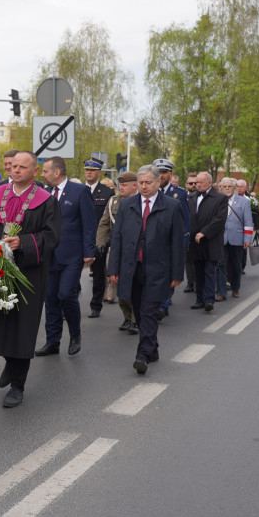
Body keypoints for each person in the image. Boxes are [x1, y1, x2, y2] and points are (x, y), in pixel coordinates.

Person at [0, 151, 60, 407]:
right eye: (13, 167)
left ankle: (17, 384)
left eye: (23, 167)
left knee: (22, 328)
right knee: (0, 320)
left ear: (35, 172)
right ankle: (10, 362)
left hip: (29, 271)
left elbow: (52, 237)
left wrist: (23, 242)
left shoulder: (46, 201)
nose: (17, 171)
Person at [108, 165, 184, 375]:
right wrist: (113, 267)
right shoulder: (127, 205)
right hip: (132, 269)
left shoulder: (172, 206)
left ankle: (142, 355)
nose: (143, 186)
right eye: (140, 183)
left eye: (148, 182)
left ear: (158, 182)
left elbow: (177, 242)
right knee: (139, 312)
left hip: (158, 269)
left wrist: (177, 273)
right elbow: (118, 238)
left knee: (149, 311)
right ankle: (153, 347)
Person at [36, 156, 96, 357]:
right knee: (50, 298)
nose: (42, 175)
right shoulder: (43, 193)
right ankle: (52, 342)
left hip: (72, 255)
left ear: (57, 172)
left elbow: (89, 224)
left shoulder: (80, 191)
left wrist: (89, 252)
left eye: (45, 171)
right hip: (48, 255)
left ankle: (75, 335)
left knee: (65, 294)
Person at [96, 171, 140, 334]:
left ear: (135, 185)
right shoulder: (113, 202)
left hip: (136, 250)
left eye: (125, 185)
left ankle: (136, 319)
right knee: (118, 283)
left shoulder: (141, 202)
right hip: (117, 248)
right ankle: (127, 316)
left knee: (135, 285)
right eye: (120, 185)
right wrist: (100, 243)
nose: (121, 188)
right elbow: (104, 224)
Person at [153, 159, 190, 321]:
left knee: (168, 275)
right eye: (158, 172)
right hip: (152, 243)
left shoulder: (179, 194)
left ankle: (163, 304)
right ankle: (160, 303)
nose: (161, 175)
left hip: (171, 243)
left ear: (170, 174)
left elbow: (186, 219)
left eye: (164, 172)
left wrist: (185, 240)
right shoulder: (149, 192)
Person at [187, 172, 228, 312]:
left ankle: (209, 299)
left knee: (209, 270)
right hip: (195, 241)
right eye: (196, 182)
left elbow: (220, 219)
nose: (197, 185)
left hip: (211, 240)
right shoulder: (191, 197)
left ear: (209, 183)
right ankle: (199, 299)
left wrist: (204, 232)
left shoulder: (220, 198)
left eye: (201, 182)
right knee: (198, 271)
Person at [82, 157, 114, 320]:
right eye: (87, 170)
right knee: (72, 274)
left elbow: (110, 218)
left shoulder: (107, 192)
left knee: (98, 274)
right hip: (78, 239)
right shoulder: (78, 190)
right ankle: (67, 305)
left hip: (97, 240)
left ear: (98, 172)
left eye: (92, 170)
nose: (89, 173)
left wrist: (107, 239)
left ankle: (96, 305)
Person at [215, 178, 253, 301]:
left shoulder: (244, 202)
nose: (226, 189)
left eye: (229, 186)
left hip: (237, 238)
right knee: (220, 265)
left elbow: (248, 222)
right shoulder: (217, 201)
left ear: (234, 188)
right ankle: (221, 292)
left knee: (236, 266)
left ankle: (235, 288)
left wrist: (247, 239)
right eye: (224, 186)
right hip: (220, 239)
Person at [183, 173, 198, 293]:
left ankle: (198, 283)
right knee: (188, 260)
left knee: (198, 260)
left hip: (199, 234)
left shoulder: (201, 197)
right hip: (186, 233)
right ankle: (190, 283)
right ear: (186, 185)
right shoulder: (182, 196)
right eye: (190, 183)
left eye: (195, 183)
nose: (193, 185)